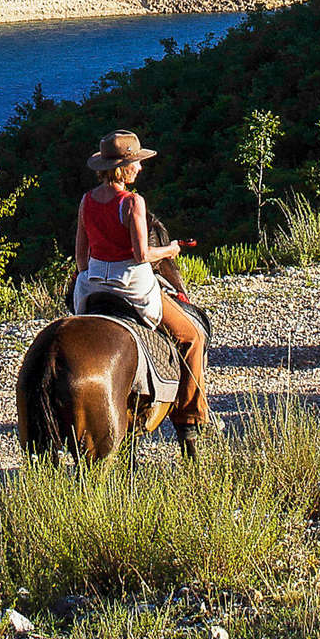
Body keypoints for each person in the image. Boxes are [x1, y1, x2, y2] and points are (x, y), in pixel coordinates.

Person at [72, 130, 209, 443]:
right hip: (132, 284)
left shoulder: (87, 201)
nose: (140, 168)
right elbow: (142, 254)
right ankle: (191, 416)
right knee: (192, 337)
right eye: (135, 163)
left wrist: (96, 271)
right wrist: (171, 250)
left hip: (93, 284)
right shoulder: (132, 202)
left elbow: (81, 258)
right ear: (123, 167)